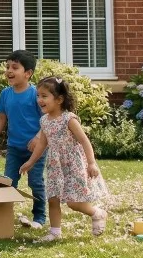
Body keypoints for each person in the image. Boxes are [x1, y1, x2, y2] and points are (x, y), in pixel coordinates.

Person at [19, 76, 108, 241]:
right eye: (38, 95)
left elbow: (84, 141)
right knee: (53, 199)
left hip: (73, 164)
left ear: (59, 99)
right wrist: (30, 162)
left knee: (74, 202)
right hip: (55, 165)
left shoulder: (69, 119)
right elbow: (42, 144)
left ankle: (97, 213)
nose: (40, 100)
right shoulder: (44, 120)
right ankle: (54, 232)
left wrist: (91, 163)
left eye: (44, 96)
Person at [0, 50, 47, 229]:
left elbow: (46, 120)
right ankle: (3, 214)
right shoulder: (6, 93)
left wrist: (37, 138)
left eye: (15, 67)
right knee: (8, 181)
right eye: (7, 67)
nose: (9, 71)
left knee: (35, 182)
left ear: (28, 73)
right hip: (14, 147)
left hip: (36, 149)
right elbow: (2, 118)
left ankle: (40, 217)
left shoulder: (36, 94)